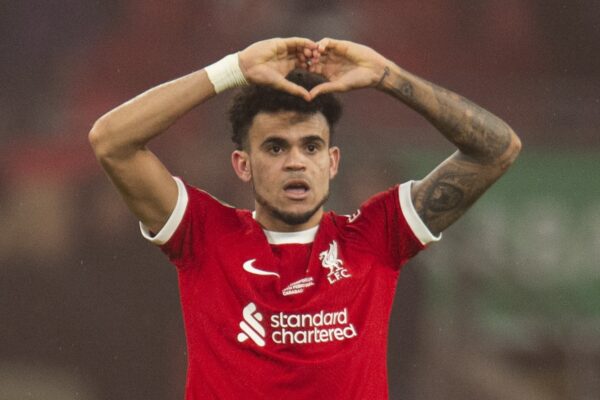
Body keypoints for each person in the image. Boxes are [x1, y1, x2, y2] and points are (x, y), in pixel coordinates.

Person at [89, 37, 521, 399]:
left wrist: (389, 76)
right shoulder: (204, 235)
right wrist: (232, 69)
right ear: (243, 165)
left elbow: (498, 149)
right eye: (276, 147)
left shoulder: (376, 237)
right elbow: (111, 141)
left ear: (333, 162)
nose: (296, 162)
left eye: (311, 147)